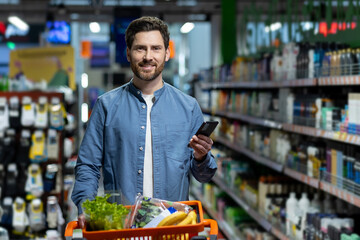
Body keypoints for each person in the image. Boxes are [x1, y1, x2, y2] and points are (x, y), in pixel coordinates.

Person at [71, 16, 217, 228]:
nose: (148, 56)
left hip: (171, 226)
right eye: (140, 48)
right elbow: (88, 166)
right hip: (120, 227)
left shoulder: (188, 107)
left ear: (167, 53)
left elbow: (204, 176)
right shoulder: (106, 106)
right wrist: (86, 207)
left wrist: (201, 157)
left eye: (156, 48)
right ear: (128, 53)